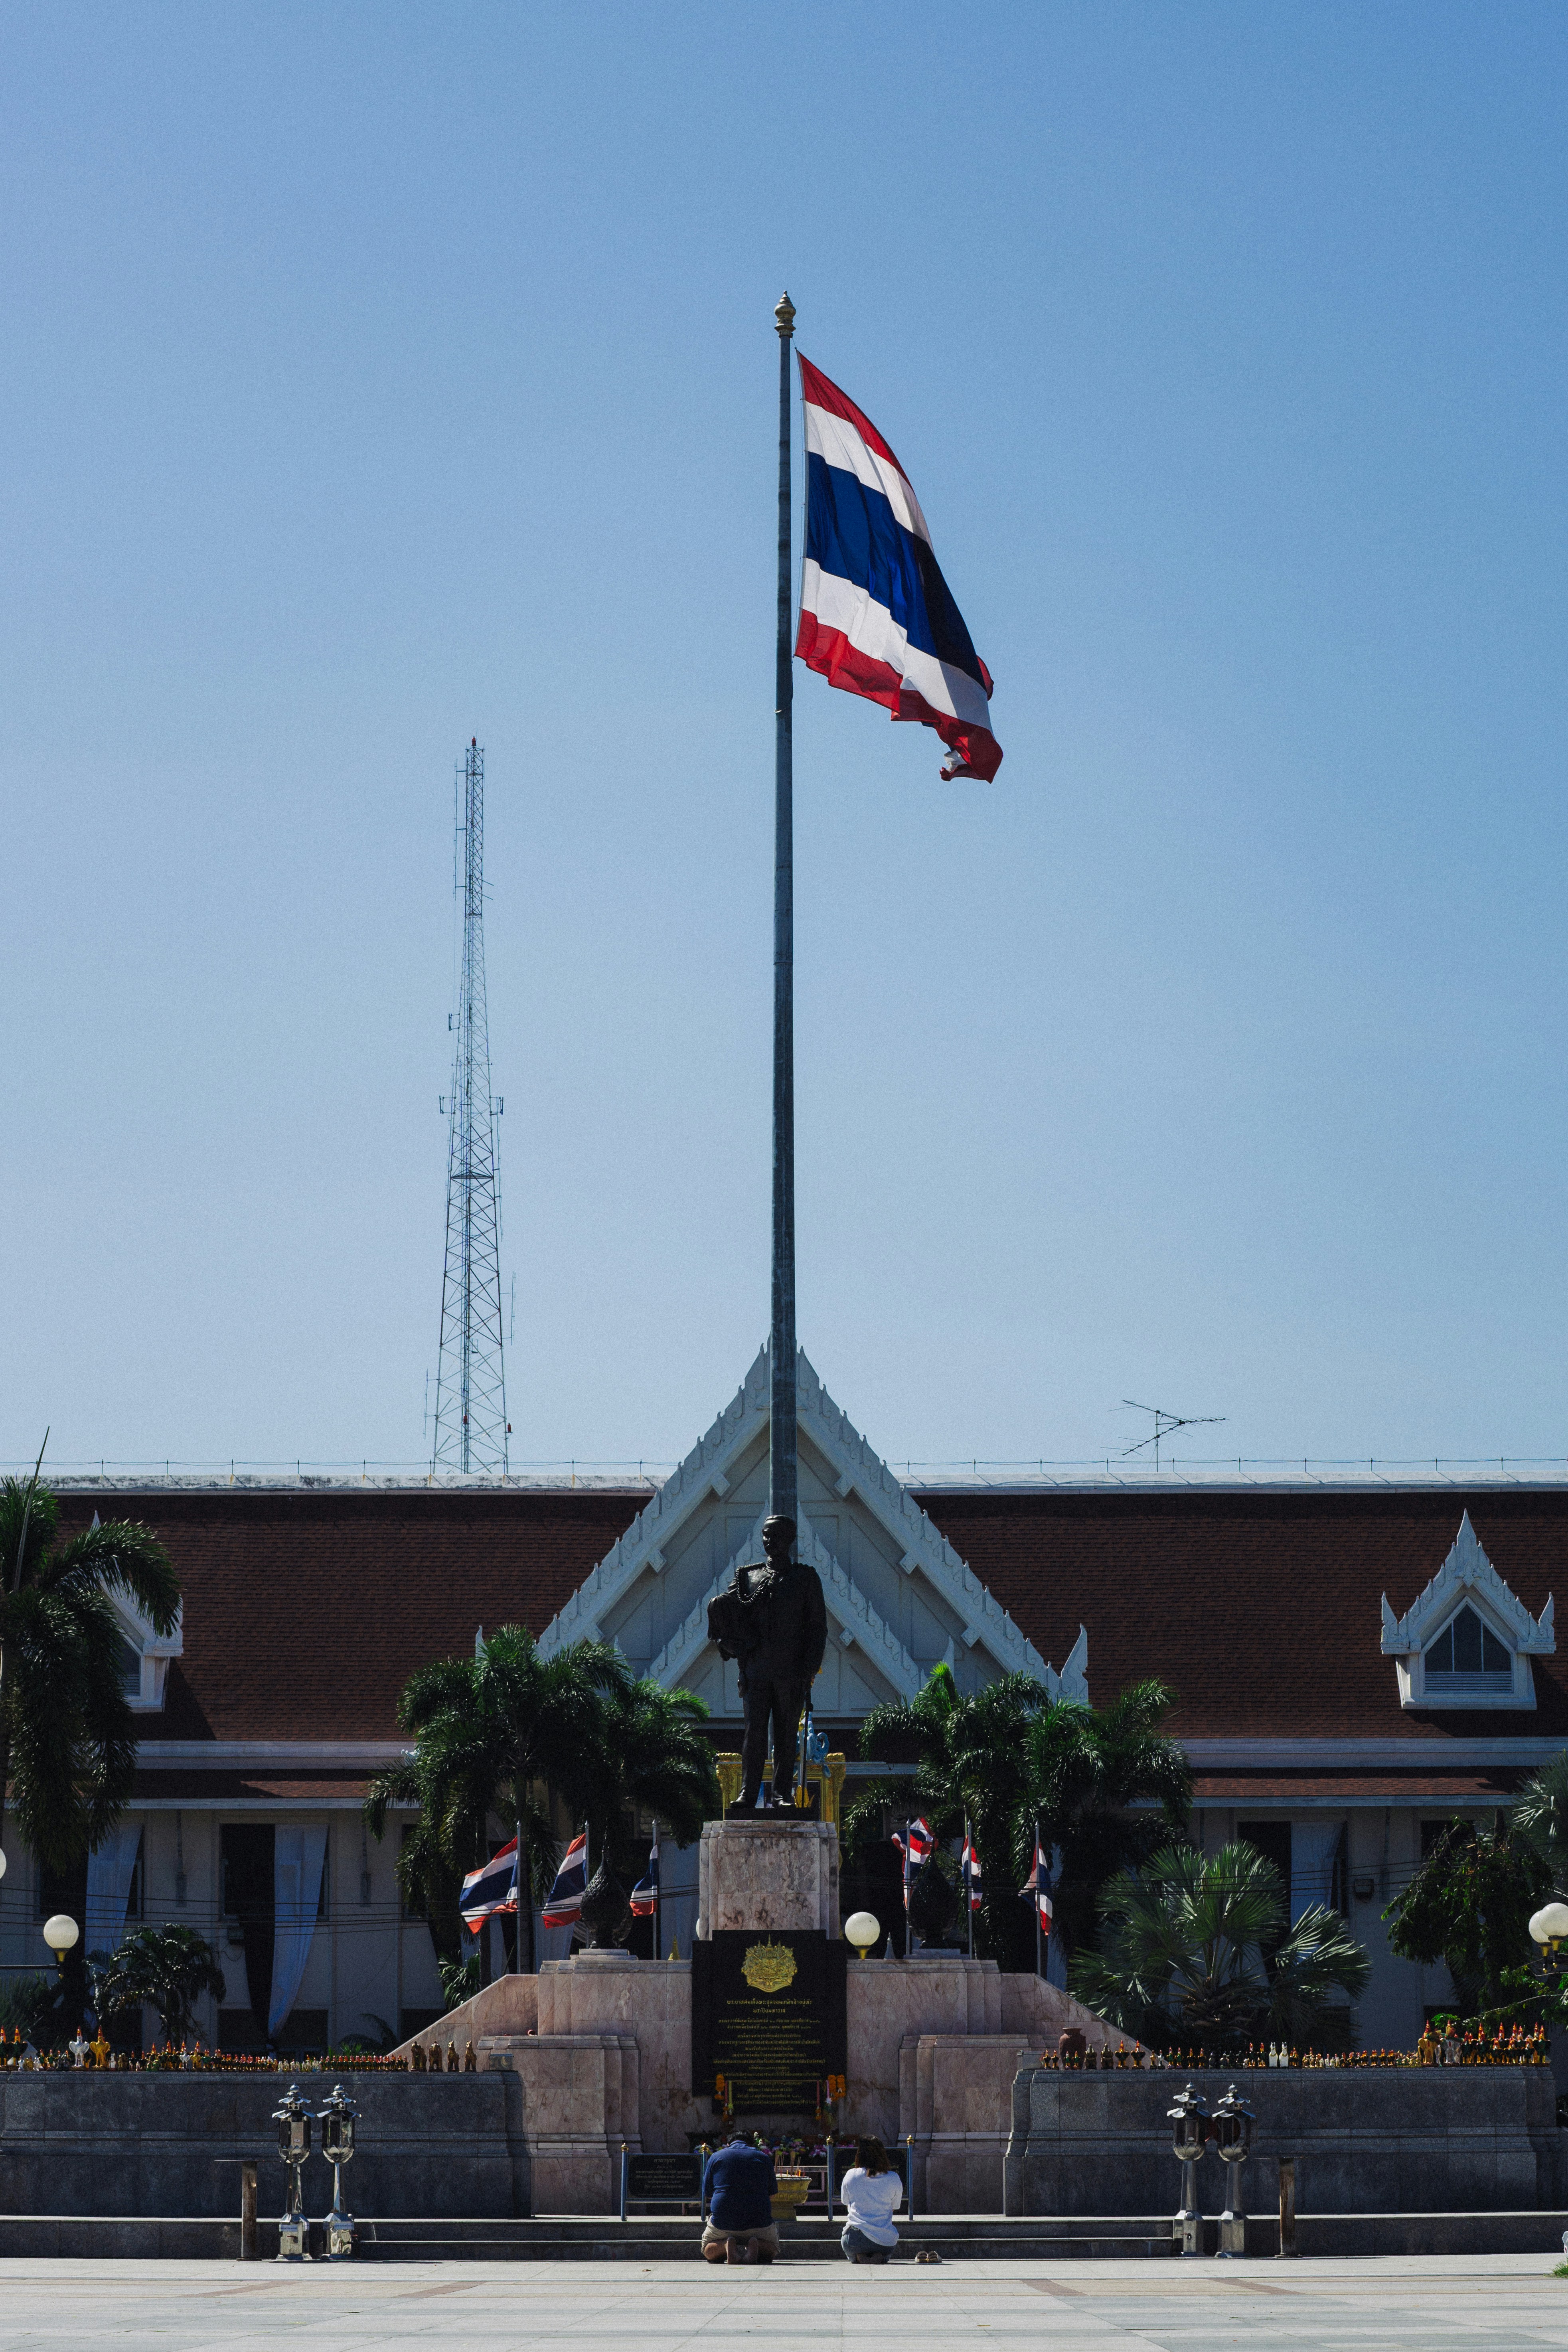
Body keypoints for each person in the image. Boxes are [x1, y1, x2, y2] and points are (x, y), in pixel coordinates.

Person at [707, 1514, 828, 1810]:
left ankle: (782, 1794)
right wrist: (723, 1636)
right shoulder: (748, 1577)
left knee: (787, 1734)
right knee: (755, 1732)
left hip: (790, 1671)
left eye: (774, 1536)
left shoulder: (805, 1578)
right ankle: (749, 1791)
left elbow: (817, 1628)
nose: (768, 1541)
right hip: (756, 1670)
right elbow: (729, 1612)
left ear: (789, 1539)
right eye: (765, 1535)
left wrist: (809, 1669)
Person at [700, 2131, 779, 2265]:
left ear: (728, 2144)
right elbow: (772, 2193)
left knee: (707, 2250)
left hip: (723, 2221)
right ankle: (757, 2246)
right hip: (759, 2221)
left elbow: (708, 2193)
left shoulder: (716, 2157)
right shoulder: (763, 2157)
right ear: (752, 2144)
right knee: (773, 2248)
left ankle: (725, 2245)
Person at [838, 2136, 902, 2263]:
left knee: (849, 2245)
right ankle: (882, 2257)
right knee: (888, 2245)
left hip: (855, 2240)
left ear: (859, 2154)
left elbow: (846, 2202)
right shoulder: (894, 2178)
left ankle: (856, 2257)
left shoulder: (851, 2175)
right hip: (884, 2240)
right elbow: (894, 2207)